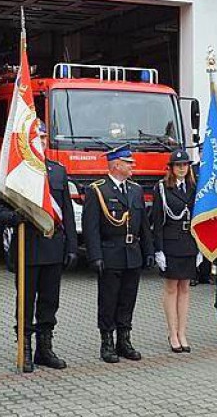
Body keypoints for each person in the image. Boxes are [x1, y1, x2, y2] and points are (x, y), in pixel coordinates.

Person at [0, 154, 79, 372]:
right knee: (26, 301)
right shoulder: (20, 170)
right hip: (28, 246)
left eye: (42, 137)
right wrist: (14, 217)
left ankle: (44, 348)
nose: (39, 140)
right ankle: (26, 348)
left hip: (53, 245)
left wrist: (71, 247)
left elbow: (66, 211)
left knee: (50, 302)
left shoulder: (57, 171)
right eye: (36, 136)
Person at [83, 144, 154, 363]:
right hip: (110, 253)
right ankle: (107, 342)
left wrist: (148, 251)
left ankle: (124, 340)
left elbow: (143, 225)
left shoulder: (135, 190)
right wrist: (95, 255)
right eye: (128, 163)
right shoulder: (97, 190)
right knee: (108, 300)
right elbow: (91, 227)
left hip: (132, 253)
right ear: (116, 165)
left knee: (127, 299)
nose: (133, 166)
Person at [151, 148, 198, 353]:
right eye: (178, 165)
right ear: (171, 168)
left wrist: (200, 248)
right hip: (170, 243)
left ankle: (182, 331)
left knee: (185, 288)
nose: (181, 168)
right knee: (171, 288)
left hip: (189, 242)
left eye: (185, 165)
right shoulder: (162, 188)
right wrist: (158, 250)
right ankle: (172, 333)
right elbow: (157, 221)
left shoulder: (194, 187)